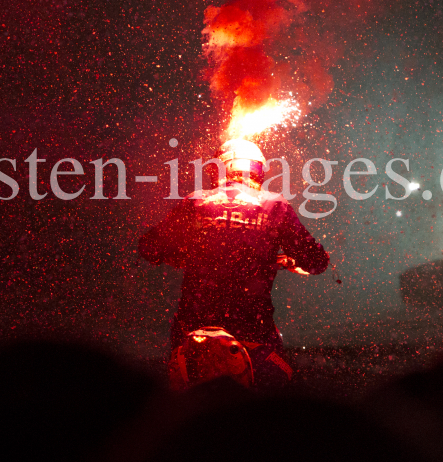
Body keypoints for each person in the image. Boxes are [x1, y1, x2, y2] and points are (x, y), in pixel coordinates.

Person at [139, 138, 329, 387]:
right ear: (257, 170)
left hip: (194, 333)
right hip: (252, 333)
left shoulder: (195, 201)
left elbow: (149, 248)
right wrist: (286, 260)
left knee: (187, 409)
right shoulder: (274, 205)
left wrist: (185, 255)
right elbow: (316, 262)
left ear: (218, 168)